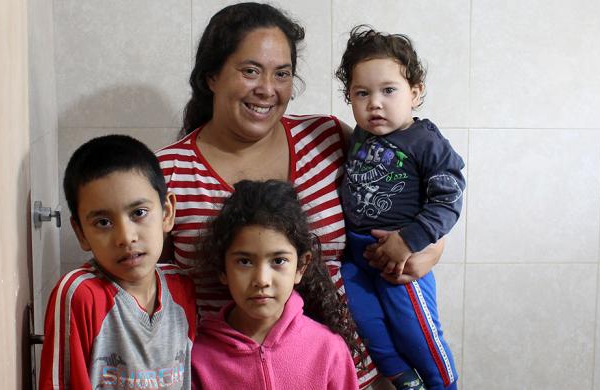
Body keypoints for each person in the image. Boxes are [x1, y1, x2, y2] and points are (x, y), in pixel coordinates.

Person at [155, 3, 445, 387]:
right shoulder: (167, 173)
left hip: (352, 372)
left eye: (282, 74)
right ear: (211, 76)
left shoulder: (327, 137)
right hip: (226, 376)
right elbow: (146, 283)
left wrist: (430, 249)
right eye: (250, 71)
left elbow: (423, 191)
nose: (267, 89)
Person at [334, 25, 465, 390]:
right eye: (362, 93)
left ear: (416, 92)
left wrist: (409, 241)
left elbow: (448, 198)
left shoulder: (425, 141)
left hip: (401, 259)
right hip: (356, 257)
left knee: (416, 333)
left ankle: (443, 385)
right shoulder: (358, 135)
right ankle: (403, 379)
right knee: (362, 322)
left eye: (388, 90)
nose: (375, 102)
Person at [39, 135, 196, 390]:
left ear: (167, 213)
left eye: (139, 213)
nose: (125, 237)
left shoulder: (182, 288)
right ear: (81, 233)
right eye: (103, 222)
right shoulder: (80, 294)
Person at [191, 180, 361, 389]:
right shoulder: (198, 357)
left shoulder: (328, 348)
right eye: (244, 262)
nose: (262, 280)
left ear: (301, 266)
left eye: (278, 261)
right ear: (222, 269)